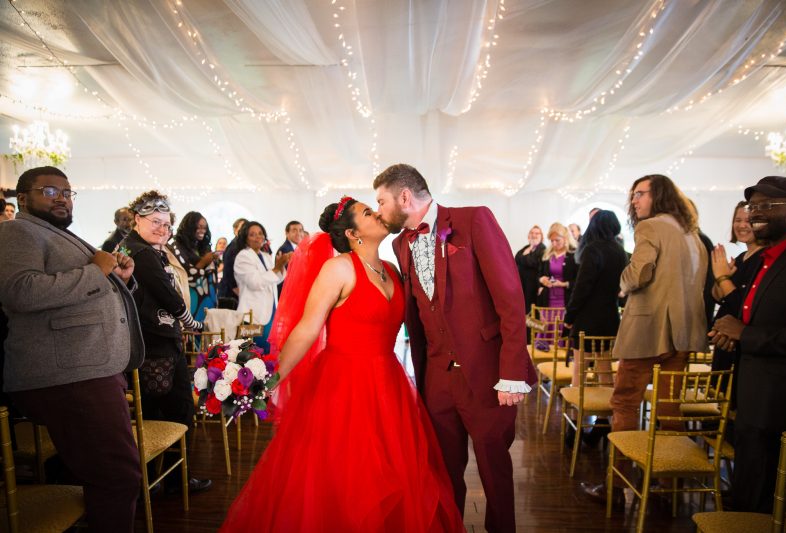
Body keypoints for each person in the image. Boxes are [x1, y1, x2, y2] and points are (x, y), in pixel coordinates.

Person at [220, 197, 463, 532]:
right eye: (368, 212)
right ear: (352, 233)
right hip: (343, 386)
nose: (378, 213)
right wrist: (269, 380)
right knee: (347, 477)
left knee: (394, 474)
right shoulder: (338, 268)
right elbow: (307, 328)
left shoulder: (392, 270)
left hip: (388, 385)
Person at [374, 164, 533, 533]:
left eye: (381, 201)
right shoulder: (400, 244)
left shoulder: (474, 219)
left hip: (488, 373)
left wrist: (512, 372)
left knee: (495, 469)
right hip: (436, 377)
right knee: (444, 470)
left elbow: (510, 300)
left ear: (404, 197)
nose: (379, 210)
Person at [0, 166, 144, 532]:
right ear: (22, 198)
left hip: (89, 369)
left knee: (110, 473)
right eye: (49, 191)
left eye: (67, 192)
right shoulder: (17, 231)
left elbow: (80, 290)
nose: (62, 198)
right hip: (68, 374)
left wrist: (117, 277)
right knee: (119, 475)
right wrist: (97, 271)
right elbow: (21, 291)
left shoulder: (55, 234)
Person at [582, 174, 708, 504]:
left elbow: (639, 272)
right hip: (682, 332)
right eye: (633, 194)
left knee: (624, 403)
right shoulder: (691, 234)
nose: (635, 201)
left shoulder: (650, 227)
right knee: (669, 408)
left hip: (649, 329)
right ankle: (668, 483)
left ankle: (619, 484)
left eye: (640, 194)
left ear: (660, 195)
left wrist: (623, 283)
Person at [708, 176, 786, 514]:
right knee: (748, 491)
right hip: (752, 390)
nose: (754, 214)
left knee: (766, 500)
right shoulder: (763, 259)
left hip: (784, 402)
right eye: (752, 206)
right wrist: (731, 332)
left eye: (766, 206)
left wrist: (744, 334)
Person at [119, 191, 212, 495]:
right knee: (173, 410)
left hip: (154, 340)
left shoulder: (139, 247)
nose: (162, 229)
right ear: (137, 219)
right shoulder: (142, 252)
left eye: (167, 224)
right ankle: (168, 479)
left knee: (162, 411)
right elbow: (167, 295)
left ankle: (163, 477)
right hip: (155, 343)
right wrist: (193, 323)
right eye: (155, 222)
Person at [707, 201, 765, 406]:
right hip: (723, 343)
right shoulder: (742, 257)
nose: (742, 225)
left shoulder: (762, 259)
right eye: (737, 220)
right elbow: (717, 296)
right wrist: (721, 277)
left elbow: (741, 305)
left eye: (748, 221)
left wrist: (723, 278)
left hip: (737, 345)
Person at [563, 210, 627, 387]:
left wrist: (570, 316)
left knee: (579, 369)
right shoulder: (620, 251)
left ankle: (576, 413)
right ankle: (603, 414)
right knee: (604, 367)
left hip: (588, 318)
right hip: (610, 315)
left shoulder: (592, 250)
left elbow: (582, 288)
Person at [233, 221, 291, 350]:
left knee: (270, 350)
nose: (258, 237)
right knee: (256, 352)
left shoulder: (265, 256)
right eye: (252, 234)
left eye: (260, 233)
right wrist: (277, 267)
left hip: (270, 308)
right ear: (245, 238)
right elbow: (255, 283)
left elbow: (276, 279)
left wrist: (281, 266)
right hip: (253, 313)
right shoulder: (243, 256)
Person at [534, 222, 577, 351]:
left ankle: (561, 361)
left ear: (565, 238)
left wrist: (563, 284)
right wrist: (542, 279)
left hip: (565, 301)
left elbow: (579, 281)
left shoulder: (573, 256)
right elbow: (539, 274)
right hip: (548, 300)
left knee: (561, 329)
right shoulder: (547, 255)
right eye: (551, 241)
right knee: (547, 328)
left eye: (557, 240)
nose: (554, 244)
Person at [171, 211, 218, 322]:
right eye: (199, 227)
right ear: (190, 227)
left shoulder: (203, 246)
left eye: (205, 228)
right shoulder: (177, 246)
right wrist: (204, 261)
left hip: (208, 300)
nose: (202, 231)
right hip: (192, 300)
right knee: (194, 333)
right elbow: (184, 275)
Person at [515, 225, 546, 319]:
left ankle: (531, 333)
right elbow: (516, 258)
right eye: (532, 233)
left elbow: (531, 262)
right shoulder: (526, 248)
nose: (534, 235)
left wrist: (525, 255)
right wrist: (528, 251)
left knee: (532, 312)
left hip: (534, 287)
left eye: (537, 233)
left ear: (541, 236)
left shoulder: (543, 249)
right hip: (523, 285)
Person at [217, 218, 248, 309]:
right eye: (242, 228)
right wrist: (235, 288)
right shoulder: (234, 246)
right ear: (235, 230)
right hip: (229, 293)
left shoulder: (242, 245)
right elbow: (228, 270)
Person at [277, 220, 304, 297]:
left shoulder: (297, 248)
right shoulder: (285, 249)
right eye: (294, 230)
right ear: (286, 233)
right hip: (287, 292)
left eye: (300, 230)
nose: (298, 233)